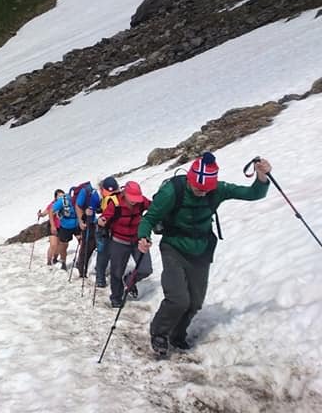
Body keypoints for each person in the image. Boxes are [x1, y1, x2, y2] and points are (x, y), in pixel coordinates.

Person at [137, 153, 272, 357]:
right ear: (190, 180)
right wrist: (143, 237)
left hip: (201, 248)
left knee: (195, 302)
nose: (202, 193)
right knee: (178, 298)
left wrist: (261, 177)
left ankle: (177, 334)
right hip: (173, 246)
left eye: (206, 189)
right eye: (198, 188)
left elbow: (253, 194)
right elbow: (150, 218)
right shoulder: (173, 191)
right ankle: (159, 333)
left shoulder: (217, 189)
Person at [99, 180, 152, 307]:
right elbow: (106, 215)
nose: (134, 201)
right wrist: (102, 220)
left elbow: (154, 208)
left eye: (136, 198)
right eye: (132, 198)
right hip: (119, 241)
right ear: (125, 194)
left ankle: (129, 280)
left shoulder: (141, 201)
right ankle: (116, 298)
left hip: (137, 240)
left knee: (146, 269)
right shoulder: (115, 202)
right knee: (116, 272)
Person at [93, 177, 120, 288]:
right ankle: (101, 276)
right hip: (114, 230)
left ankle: (100, 278)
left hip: (105, 229)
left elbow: (106, 212)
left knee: (103, 253)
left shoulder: (109, 199)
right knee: (107, 253)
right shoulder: (117, 197)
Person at [73, 180, 101, 277]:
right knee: (87, 246)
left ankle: (84, 266)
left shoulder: (99, 191)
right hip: (87, 222)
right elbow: (78, 205)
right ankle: (81, 269)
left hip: (95, 222)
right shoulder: (86, 191)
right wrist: (81, 221)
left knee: (93, 245)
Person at [50, 190, 80, 270]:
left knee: (82, 242)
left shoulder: (80, 199)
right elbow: (51, 211)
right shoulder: (63, 200)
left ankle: (81, 261)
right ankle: (63, 262)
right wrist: (53, 226)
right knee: (63, 246)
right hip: (66, 226)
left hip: (77, 224)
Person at [37, 189, 65, 266]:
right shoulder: (52, 205)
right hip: (53, 226)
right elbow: (45, 213)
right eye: (59, 196)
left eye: (62, 196)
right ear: (55, 197)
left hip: (62, 227)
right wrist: (41, 214)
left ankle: (55, 258)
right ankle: (49, 261)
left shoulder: (65, 204)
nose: (61, 197)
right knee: (53, 245)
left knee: (59, 244)